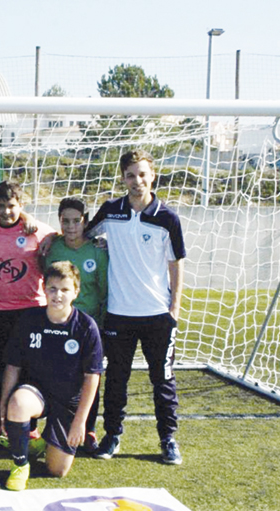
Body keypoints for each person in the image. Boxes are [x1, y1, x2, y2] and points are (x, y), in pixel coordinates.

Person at [87, 149, 186, 465]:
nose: (137, 180)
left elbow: (176, 263)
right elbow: (83, 234)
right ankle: (112, 435)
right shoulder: (111, 211)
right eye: (130, 175)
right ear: (122, 178)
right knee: (116, 378)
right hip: (119, 313)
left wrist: (175, 307)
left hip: (157, 314)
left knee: (163, 379)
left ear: (152, 176)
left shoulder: (167, 217)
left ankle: (167, 439)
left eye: (142, 174)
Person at [0, 262, 103, 491]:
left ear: (76, 292)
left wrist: (80, 422)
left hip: (68, 401)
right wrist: (3, 403)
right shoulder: (29, 320)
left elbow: (92, 377)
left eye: (65, 290)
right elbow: (13, 366)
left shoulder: (86, 327)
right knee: (18, 403)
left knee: (57, 471)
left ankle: (42, 442)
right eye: (53, 288)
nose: (58, 295)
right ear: (44, 289)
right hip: (37, 393)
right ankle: (20, 464)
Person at [0, 181, 54, 443]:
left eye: (12, 206)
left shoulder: (35, 229)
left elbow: (58, 235)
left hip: (32, 309)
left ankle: (29, 422)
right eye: (1, 206)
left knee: (30, 367)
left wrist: (31, 221)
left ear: (20, 206)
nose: (7, 211)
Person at [43, 196, 108, 453]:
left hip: (88, 326)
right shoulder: (53, 247)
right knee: (55, 376)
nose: (71, 226)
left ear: (85, 222)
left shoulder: (97, 250)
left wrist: (100, 326)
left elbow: (103, 291)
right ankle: (46, 428)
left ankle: (88, 429)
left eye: (76, 221)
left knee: (89, 378)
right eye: (65, 221)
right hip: (57, 323)